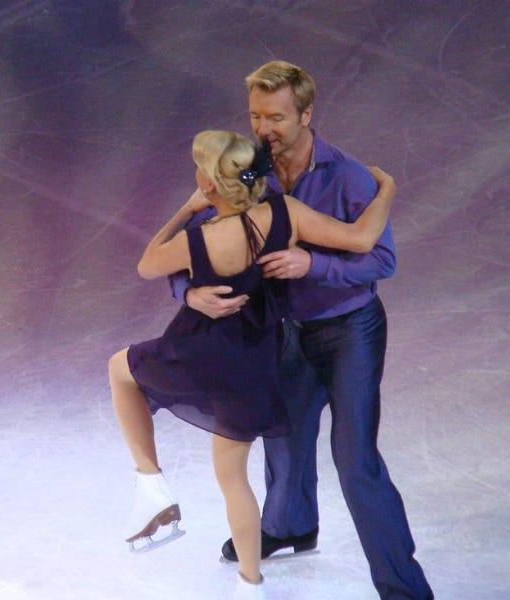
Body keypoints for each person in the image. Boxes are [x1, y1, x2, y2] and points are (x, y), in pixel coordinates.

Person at [172, 61, 434, 599]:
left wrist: (311, 266)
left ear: (306, 114)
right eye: (255, 116)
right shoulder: (248, 175)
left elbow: (381, 260)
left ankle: (405, 589)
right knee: (283, 438)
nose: (263, 129)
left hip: (349, 330)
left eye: (276, 117)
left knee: (354, 462)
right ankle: (289, 526)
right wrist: (188, 292)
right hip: (284, 331)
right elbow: (188, 242)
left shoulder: (349, 176)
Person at [109, 129, 395, 599]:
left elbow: (146, 264)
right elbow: (363, 238)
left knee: (120, 369)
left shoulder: (200, 237)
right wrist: (386, 190)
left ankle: (150, 481)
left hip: (200, 353)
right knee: (233, 479)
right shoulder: (287, 214)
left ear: (208, 184)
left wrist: (186, 209)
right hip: (257, 364)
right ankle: (250, 583)